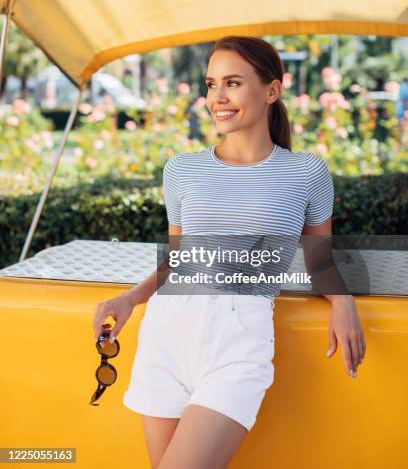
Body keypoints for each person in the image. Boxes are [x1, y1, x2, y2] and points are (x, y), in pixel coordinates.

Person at [93, 36, 366, 469]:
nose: (217, 98)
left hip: (238, 340)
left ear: (272, 91)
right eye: (211, 83)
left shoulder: (306, 171)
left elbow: (319, 258)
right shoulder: (181, 170)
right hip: (167, 332)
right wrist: (130, 298)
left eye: (233, 83)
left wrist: (343, 300)